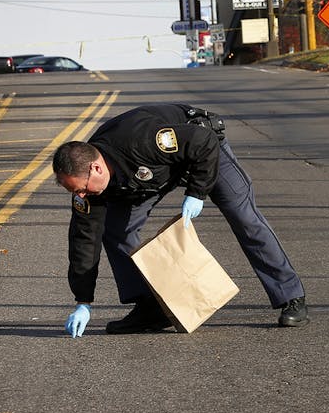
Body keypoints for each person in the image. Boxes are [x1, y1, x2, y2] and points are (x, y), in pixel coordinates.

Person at [52, 103, 308, 335]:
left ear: (96, 168)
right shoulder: (88, 188)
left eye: (81, 188)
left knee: (243, 216)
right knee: (116, 231)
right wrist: (83, 301)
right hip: (150, 176)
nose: (81, 195)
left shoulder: (142, 140)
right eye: (75, 192)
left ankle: (290, 297)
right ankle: (149, 308)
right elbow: (83, 242)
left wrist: (197, 192)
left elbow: (203, 141)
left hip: (201, 154)